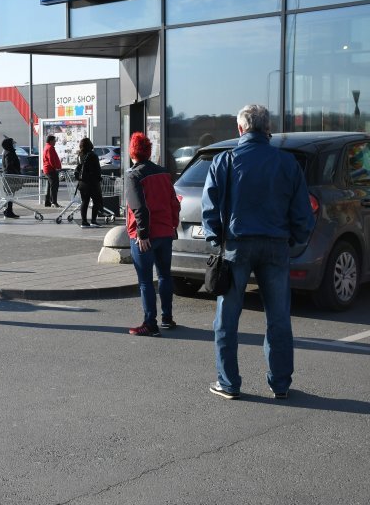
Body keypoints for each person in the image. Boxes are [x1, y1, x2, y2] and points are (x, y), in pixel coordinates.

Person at [202, 104, 314, 400]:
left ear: (240, 129)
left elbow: (210, 207)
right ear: (268, 129)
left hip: (237, 247)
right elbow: (303, 214)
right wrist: (294, 241)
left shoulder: (225, 160)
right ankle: (280, 384)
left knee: (227, 319)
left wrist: (216, 239)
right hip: (276, 247)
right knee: (278, 318)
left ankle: (229, 383)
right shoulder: (287, 163)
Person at [125, 132, 180, 337]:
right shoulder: (164, 174)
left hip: (145, 235)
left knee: (146, 281)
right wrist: (173, 225)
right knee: (165, 275)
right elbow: (174, 203)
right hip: (165, 231)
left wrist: (143, 233)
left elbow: (139, 207)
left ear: (132, 152)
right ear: (148, 152)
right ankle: (167, 317)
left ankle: (150, 322)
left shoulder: (133, 175)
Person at [75, 137, 104, 228]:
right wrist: (99, 179)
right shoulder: (93, 155)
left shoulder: (79, 156)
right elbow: (97, 169)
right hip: (92, 183)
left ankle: (84, 222)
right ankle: (93, 221)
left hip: (82, 183)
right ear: (90, 145)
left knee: (85, 202)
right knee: (96, 202)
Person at [1, 137, 20, 219]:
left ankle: (8, 210)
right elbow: (9, 166)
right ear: (9, 144)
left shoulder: (7, 152)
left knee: (9, 195)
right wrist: (17, 173)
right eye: (12, 143)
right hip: (10, 177)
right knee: (10, 195)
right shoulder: (9, 153)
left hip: (9, 176)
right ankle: (9, 211)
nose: (14, 144)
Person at [42, 134, 61, 207]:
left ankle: (48, 202)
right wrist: (56, 167)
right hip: (51, 169)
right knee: (54, 186)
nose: (55, 142)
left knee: (50, 186)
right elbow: (51, 160)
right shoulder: (50, 148)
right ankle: (54, 202)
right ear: (50, 141)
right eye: (54, 140)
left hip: (48, 169)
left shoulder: (47, 147)